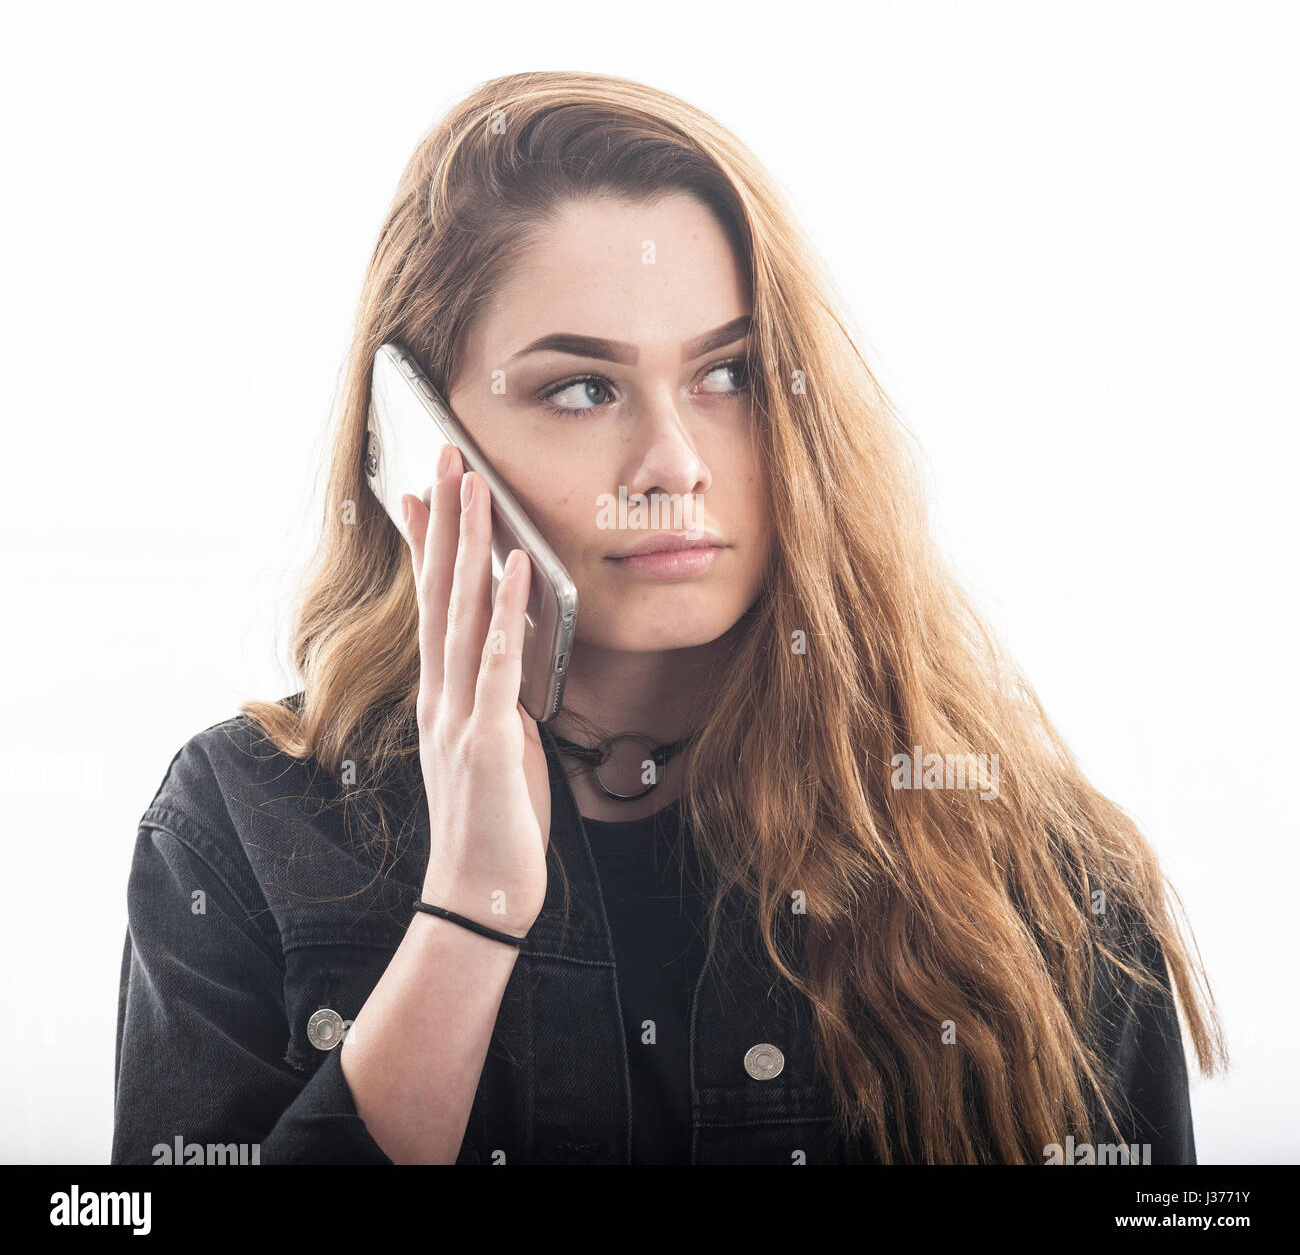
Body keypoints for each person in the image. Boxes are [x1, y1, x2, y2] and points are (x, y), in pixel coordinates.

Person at [112, 71, 1227, 1165]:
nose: (673, 466)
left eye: (730, 374)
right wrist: (469, 912)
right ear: (425, 440)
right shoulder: (241, 825)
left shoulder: (1034, 869)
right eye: (582, 388)